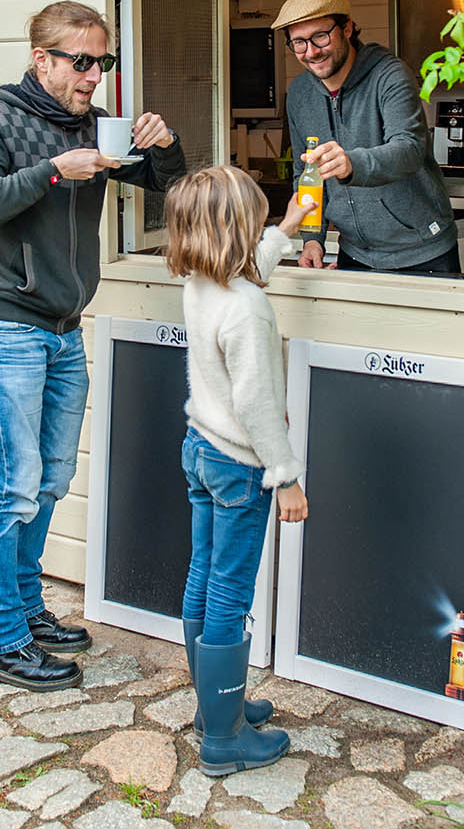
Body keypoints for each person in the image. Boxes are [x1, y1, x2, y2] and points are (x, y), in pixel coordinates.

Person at [0, 0, 187, 692]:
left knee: (49, 482)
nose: (93, 75)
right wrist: (55, 170)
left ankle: (26, 610)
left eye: (101, 61)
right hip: (8, 327)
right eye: (81, 61)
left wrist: (163, 144)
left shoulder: (90, 125)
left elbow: (170, 187)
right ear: (43, 60)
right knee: (13, 488)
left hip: (63, 330)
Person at [164, 165, 312, 776]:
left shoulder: (202, 283)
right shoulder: (247, 307)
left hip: (199, 447)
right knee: (230, 587)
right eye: (255, 218)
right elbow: (256, 405)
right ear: (234, 230)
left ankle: (212, 707)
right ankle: (224, 740)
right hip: (238, 462)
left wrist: (287, 227)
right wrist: (286, 475)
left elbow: (252, 272)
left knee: (204, 572)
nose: (260, 226)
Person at [276, 0, 461, 274]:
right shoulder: (300, 94)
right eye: (299, 42)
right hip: (356, 252)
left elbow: (409, 149)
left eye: (320, 37)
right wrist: (313, 238)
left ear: (347, 28)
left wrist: (352, 163)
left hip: (423, 249)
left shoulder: (390, 75)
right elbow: (306, 174)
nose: (311, 52)